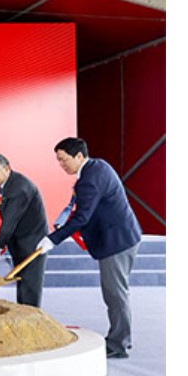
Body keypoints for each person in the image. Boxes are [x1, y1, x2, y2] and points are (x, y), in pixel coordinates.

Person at [40, 137, 142, 359]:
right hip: (121, 235)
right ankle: (119, 338)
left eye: (64, 160)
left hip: (117, 240)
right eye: (58, 161)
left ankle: (119, 344)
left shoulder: (91, 178)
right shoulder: (97, 167)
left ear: (79, 156)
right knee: (116, 292)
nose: (62, 165)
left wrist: (53, 239)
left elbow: (82, 217)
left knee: (115, 294)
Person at [0, 153, 48, 308]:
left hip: (32, 241)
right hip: (18, 239)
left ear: (6, 168)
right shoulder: (6, 184)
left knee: (29, 283)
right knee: (21, 279)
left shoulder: (19, 189)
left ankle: (31, 320)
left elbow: (10, 221)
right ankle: (23, 314)